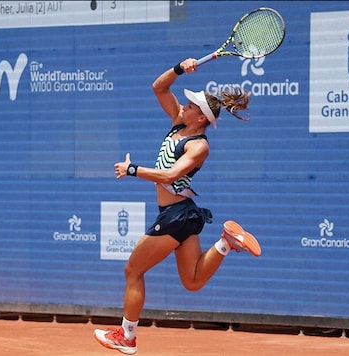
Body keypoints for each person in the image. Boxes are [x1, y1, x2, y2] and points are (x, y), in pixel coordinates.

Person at [94, 58, 261, 355]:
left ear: (201, 118)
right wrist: (180, 69)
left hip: (177, 216)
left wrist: (133, 170)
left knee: (132, 270)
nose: (185, 105)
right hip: (183, 215)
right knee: (193, 281)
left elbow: (171, 175)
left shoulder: (199, 146)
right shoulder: (177, 123)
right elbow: (159, 87)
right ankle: (225, 242)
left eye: (192, 106)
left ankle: (127, 337)